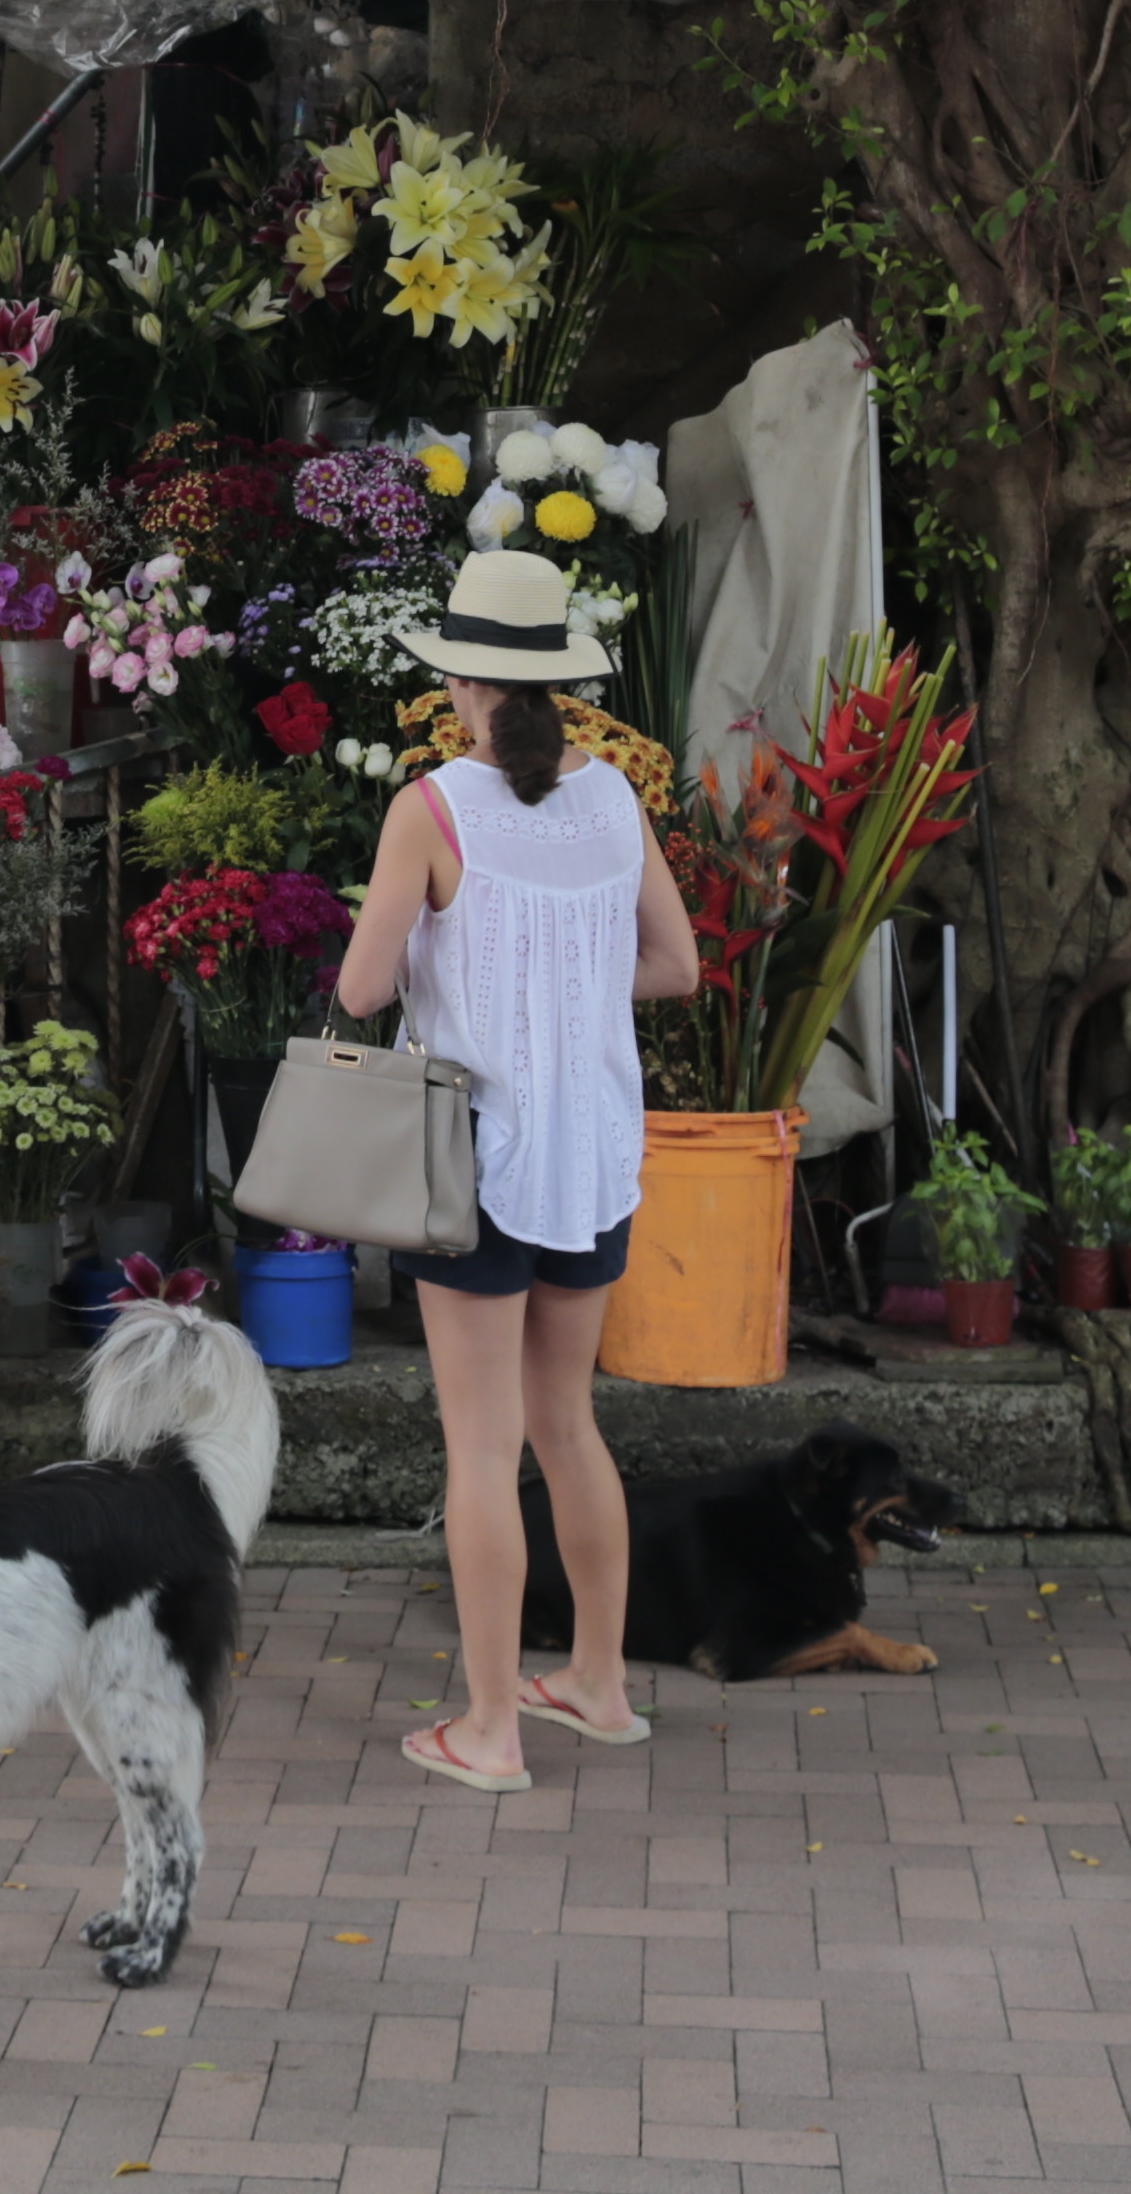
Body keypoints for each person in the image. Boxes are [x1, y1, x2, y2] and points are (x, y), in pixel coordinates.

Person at [326, 546, 697, 1792]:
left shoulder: (430, 811)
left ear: (464, 682)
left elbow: (363, 989)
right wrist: (571, 989)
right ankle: (598, 1684)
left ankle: (489, 1728)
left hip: (475, 1158)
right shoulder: (612, 802)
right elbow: (677, 968)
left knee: (480, 1447)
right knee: (568, 1423)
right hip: (595, 1152)